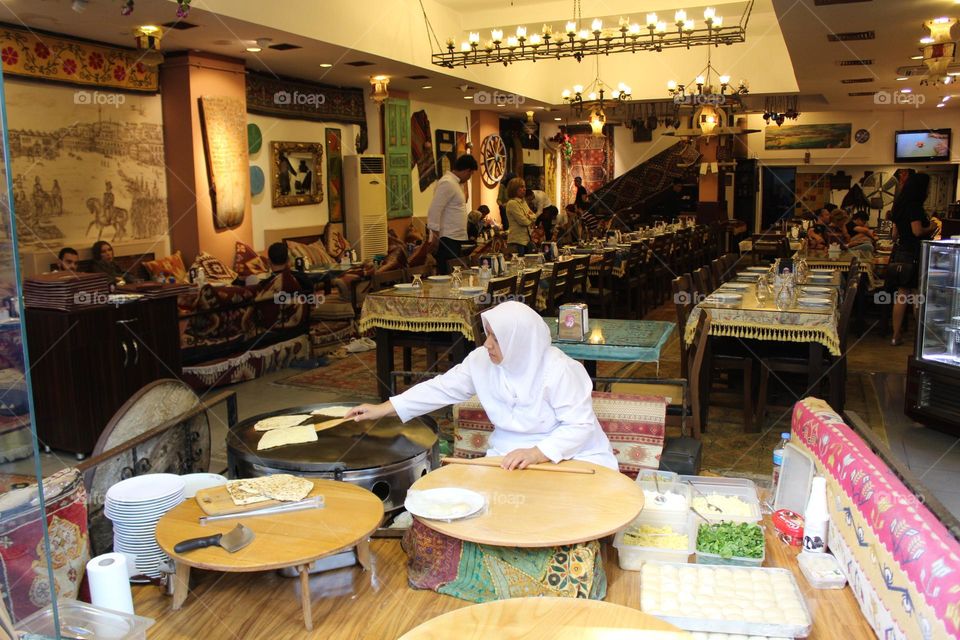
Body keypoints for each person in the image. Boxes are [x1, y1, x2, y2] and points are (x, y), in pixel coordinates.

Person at [347, 301, 617, 471]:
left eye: (496, 338)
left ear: (519, 342)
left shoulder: (560, 370)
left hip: (571, 456)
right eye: (487, 335)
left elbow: (579, 426)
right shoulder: (481, 361)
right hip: (508, 455)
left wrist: (537, 454)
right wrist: (384, 408)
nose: (487, 344)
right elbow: (440, 388)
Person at [888, 172, 936, 346]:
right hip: (915, 253)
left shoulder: (898, 206)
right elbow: (917, 231)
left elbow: (894, 235)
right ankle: (919, 339)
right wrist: (931, 227)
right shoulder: (915, 206)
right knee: (916, 295)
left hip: (901, 252)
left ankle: (895, 335)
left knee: (901, 295)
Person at [427, 154, 478, 274]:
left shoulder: (456, 184)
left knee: (455, 274)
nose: (469, 178)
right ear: (467, 171)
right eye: (470, 174)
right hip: (447, 238)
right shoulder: (447, 183)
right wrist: (435, 236)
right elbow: (435, 209)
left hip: (455, 238)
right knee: (448, 274)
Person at [504, 178, 538, 256]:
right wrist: (529, 218)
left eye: (525, 187)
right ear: (514, 189)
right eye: (522, 187)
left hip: (526, 240)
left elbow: (534, 216)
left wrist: (528, 217)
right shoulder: (512, 203)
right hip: (516, 242)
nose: (524, 189)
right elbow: (523, 221)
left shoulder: (523, 202)